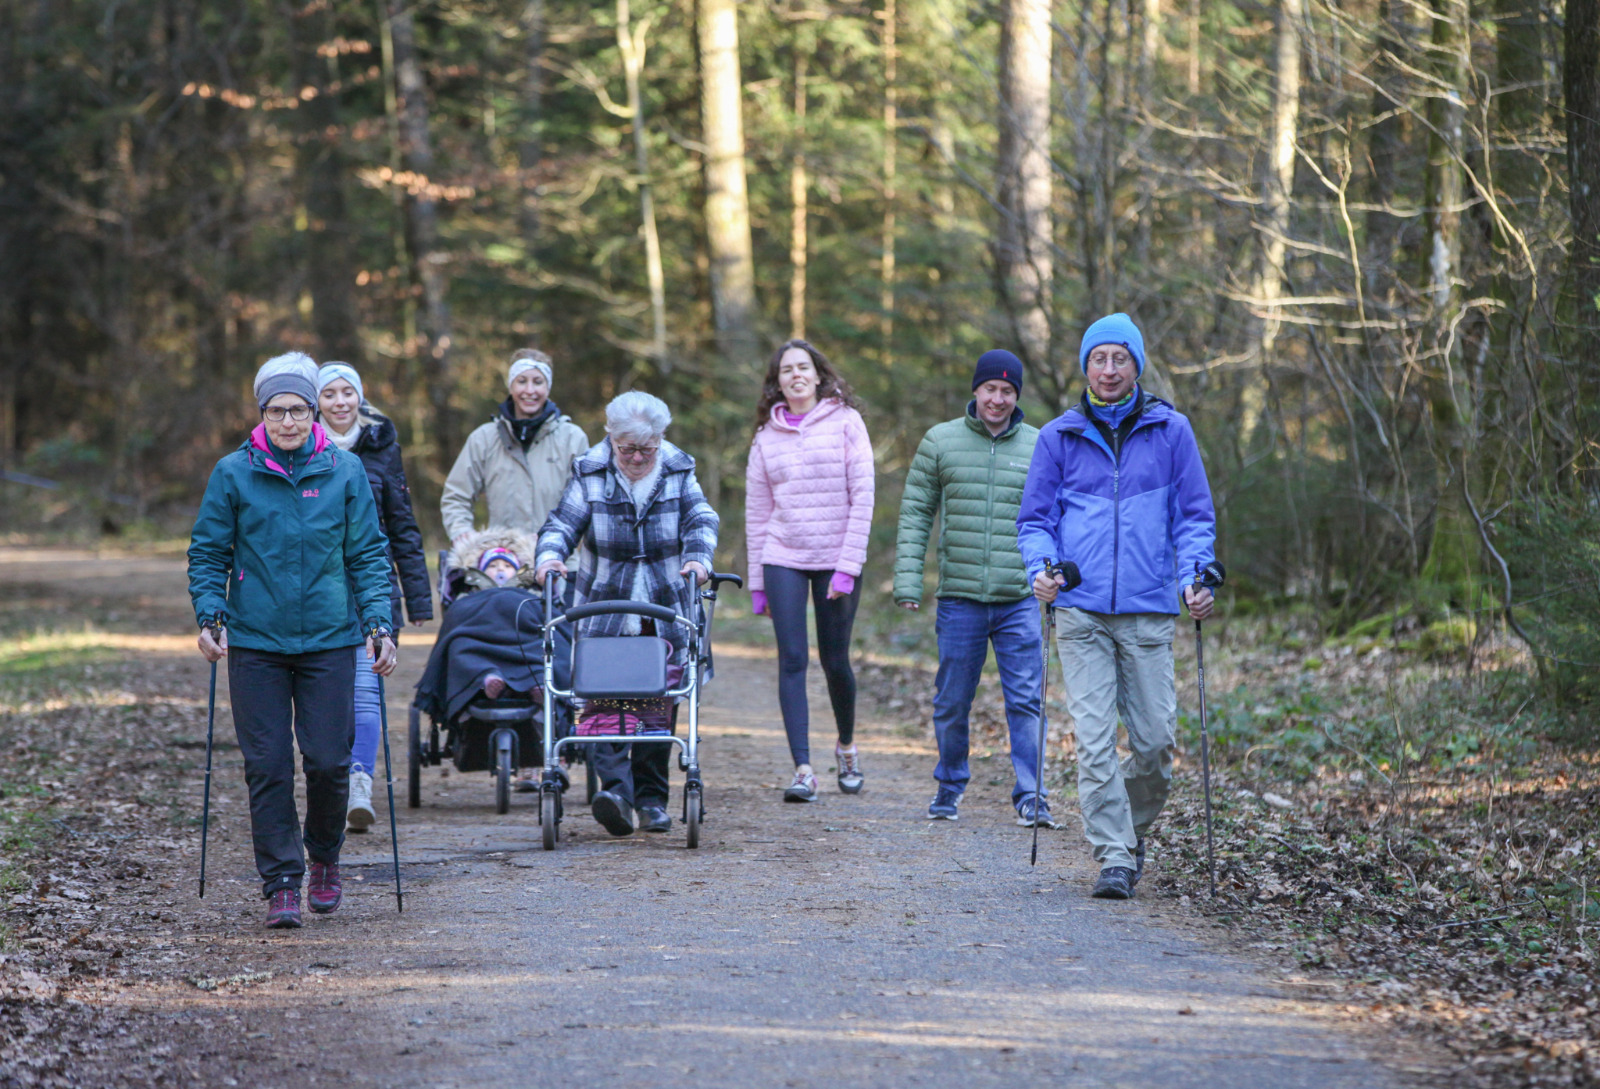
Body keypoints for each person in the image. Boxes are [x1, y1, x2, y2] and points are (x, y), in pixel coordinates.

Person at [187, 352, 397, 930]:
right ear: (262, 413)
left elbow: (369, 556)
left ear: (314, 414)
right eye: (278, 411)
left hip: (331, 639)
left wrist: (380, 624)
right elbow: (208, 553)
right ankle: (282, 880)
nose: (289, 422)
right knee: (268, 764)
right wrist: (211, 614)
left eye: (299, 411)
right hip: (256, 641)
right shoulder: (233, 473)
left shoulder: (345, 472)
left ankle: (324, 857)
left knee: (330, 763)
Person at [1016, 313, 1217, 901]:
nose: (1108, 370)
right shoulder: (1058, 437)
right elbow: (1035, 522)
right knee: (1096, 739)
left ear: (1136, 365)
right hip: (1079, 611)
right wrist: (1041, 570)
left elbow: (1195, 518)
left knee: (1155, 745)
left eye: (1119, 358)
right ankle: (1114, 856)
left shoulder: (1172, 431)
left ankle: (1128, 832)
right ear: (1085, 367)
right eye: (1098, 359)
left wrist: (1194, 577)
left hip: (1150, 608)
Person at [534, 391, 718, 836]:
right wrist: (549, 557)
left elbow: (700, 519)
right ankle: (615, 792)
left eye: (646, 449)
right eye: (626, 449)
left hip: (664, 602)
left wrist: (698, 559)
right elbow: (562, 522)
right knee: (603, 697)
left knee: (657, 699)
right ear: (610, 439)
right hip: (605, 603)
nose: (636, 458)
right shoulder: (590, 469)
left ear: (660, 440)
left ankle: (653, 801)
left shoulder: (677, 468)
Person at [893, 349, 1051, 825]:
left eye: (1007, 391)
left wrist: (1055, 574)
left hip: (1020, 598)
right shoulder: (940, 441)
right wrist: (907, 578)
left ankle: (1032, 794)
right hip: (959, 598)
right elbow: (916, 512)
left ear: (1016, 395)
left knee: (1026, 700)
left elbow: (1055, 515)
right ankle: (949, 786)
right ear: (976, 390)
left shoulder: (1041, 445)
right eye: (990, 389)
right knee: (952, 698)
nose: (997, 399)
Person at [745, 339, 874, 803]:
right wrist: (757, 582)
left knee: (834, 660)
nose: (795, 375)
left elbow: (864, 497)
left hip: (836, 557)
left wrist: (848, 566)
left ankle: (845, 746)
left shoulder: (846, 422)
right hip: (784, 556)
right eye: (786, 370)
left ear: (818, 374)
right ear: (777, 382)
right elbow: (758, 513)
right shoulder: (766, 437)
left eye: (803, 367)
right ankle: (803, 769)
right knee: (792, 660)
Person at [316, 362, 432, 834]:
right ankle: (331, 781)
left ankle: (359, 783)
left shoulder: (382, 445)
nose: (341, 402)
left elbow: (401, 523)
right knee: (327, 697)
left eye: (349, 392)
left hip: (374, 588)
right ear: (315, 401)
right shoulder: (300, 444)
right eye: (330, 394)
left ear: (360, 397)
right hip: (320, 591)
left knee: (366, 694)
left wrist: (419, 599)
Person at [440, 348, 590, 546]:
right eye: (521, 381)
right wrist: (462, 533)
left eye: (538, 382)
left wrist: (554, 540)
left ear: (548, 387)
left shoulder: (573, 438)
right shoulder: (484, 438)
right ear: (511, 386)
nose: (530, 390)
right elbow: (456, 496)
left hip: (559, 564)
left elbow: (584, 503)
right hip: (501, 565)